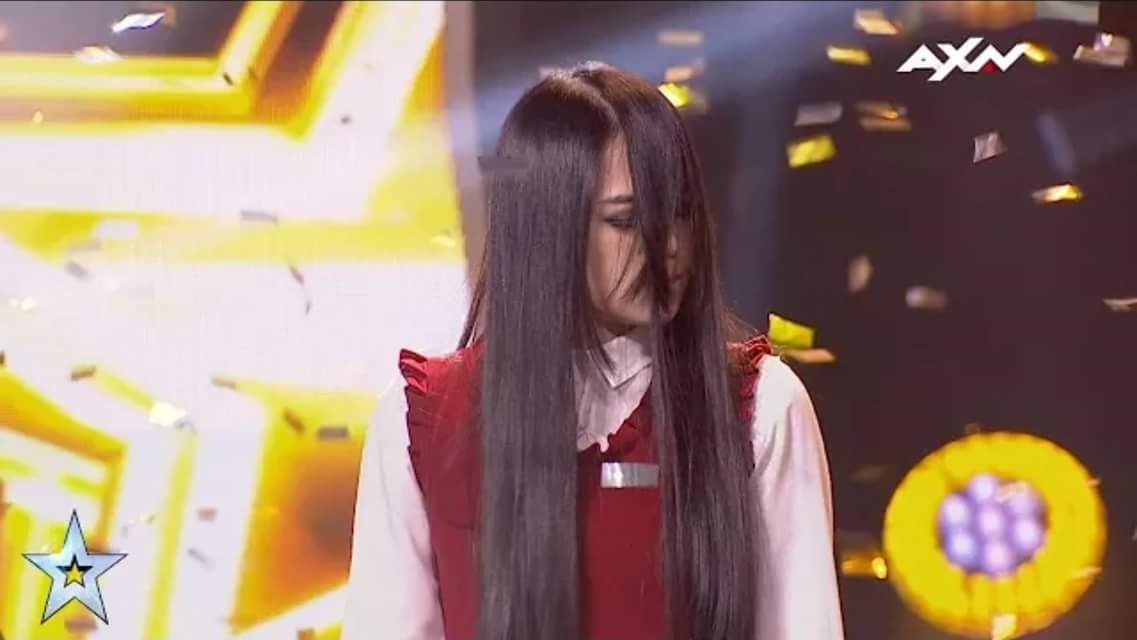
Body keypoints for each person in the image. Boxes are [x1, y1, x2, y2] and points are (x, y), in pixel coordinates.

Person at [342, 62, 844, 640]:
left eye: (681, 213)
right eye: (626, 220)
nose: (667, 245)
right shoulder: (424, 421)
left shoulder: (760, 407)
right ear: (548, 225)